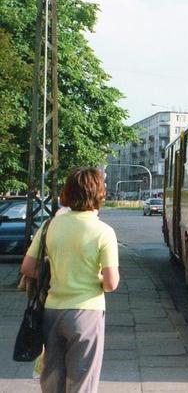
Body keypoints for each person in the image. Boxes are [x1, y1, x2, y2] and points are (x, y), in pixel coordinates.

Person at [20, 167, 120, 393]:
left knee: (52, 380)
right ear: (99, 194)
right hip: (87, 313)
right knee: (82, 383)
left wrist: (57, 273)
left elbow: (27, 267)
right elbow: (111, 283)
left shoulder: (49, 226)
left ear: (67, 192)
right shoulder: (103, 232)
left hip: (52, 311)